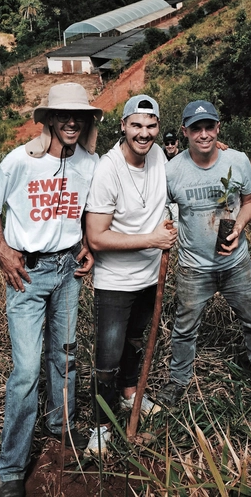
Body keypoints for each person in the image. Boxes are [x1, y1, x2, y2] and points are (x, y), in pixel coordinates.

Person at [0, 83, 102, 497]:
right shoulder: (20, 161)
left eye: (79, 115)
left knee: (65, 356)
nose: (72, 121)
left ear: (86, 120)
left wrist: (86, 242)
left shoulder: (90, 162)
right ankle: (12, 468)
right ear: (49, 119)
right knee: (27, 370)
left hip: (68, 268)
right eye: (63, 114)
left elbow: (89, 208)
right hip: (28, 274)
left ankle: (60, 426)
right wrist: (0, 247)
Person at [158, 100, 251, 408]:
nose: (203, 134)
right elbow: (162, 210)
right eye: (196, 128)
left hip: (235, 262)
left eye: (209, 127)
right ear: (184, 132)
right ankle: (178, 381)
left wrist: (238, 226)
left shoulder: (236, 161)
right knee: (185, 329)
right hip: (193, 267)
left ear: (218, 128)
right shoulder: (171, 171)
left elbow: (250, 201)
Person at [84, 94, 177, 458]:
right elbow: (96, 236)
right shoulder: (108, 169)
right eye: (136, 125)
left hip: (150, 276)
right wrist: (151, 239)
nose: (144, 133)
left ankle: (129, 394)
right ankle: (101, 427)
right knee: (107, 358)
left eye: (151, 126)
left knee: (135, 342)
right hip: (115, 282)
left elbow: (183, 162)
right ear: (123, 126)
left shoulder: (157, 154)